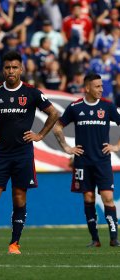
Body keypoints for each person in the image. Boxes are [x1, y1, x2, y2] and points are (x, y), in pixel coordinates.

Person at [0, 50, 59, 255]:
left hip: (23, 154)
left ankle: (14, 244)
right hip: (0, 154)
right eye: (7, 67)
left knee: (19, 198)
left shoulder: (32, 93)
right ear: (3, 69)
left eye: (15, 67)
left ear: (21, 69)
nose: (11, 71)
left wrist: (40, 135)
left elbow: (54, 113)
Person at [53, 73, 120, 247]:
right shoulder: (75, 107)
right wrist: (67, 148)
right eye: (97, 86)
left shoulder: (107, 106)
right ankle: (95, 239)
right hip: (82, 162)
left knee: (107, 198)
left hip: (102, 161)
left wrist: (116, 146)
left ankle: (114, 238)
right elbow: (58, 127)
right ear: (87, 88)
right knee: (88, 198)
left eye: (101, 86)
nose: (101, 89)